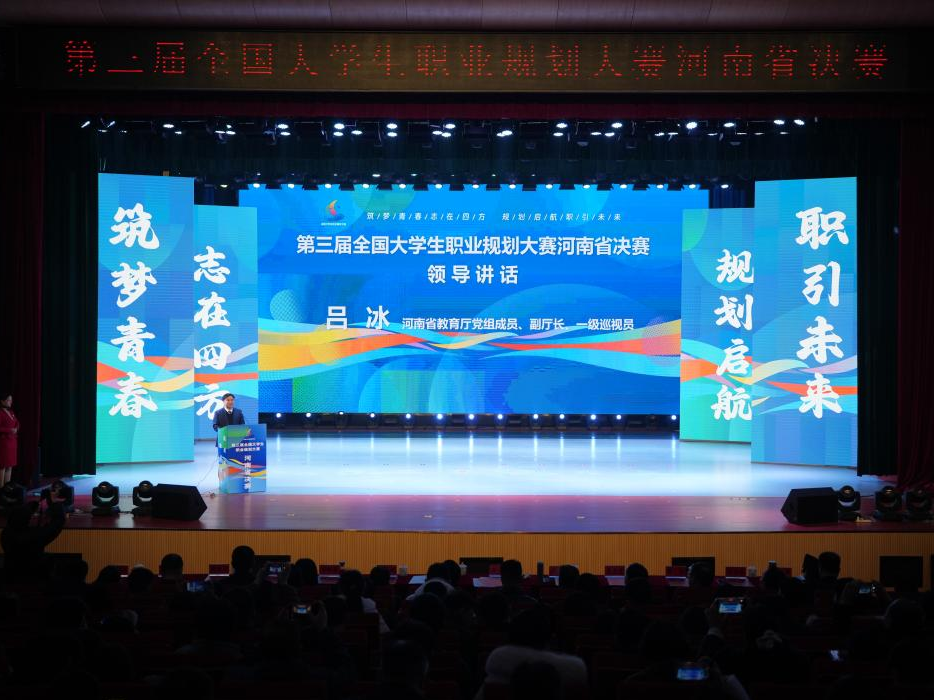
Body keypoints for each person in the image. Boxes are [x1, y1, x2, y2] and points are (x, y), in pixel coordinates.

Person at [0, 391, 19, 487]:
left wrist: (16, 428)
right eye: (8, 400)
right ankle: (1, 488)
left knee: (9, 466)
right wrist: (9, 430)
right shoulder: (0, 412)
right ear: (2, 401)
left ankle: (7, 488)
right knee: (2, 466)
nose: (10, 402)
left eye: (11, 400)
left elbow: (17, 422)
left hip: (12, 442)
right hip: (4, 443)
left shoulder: (11, 412)